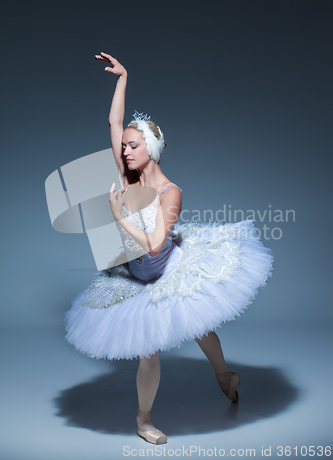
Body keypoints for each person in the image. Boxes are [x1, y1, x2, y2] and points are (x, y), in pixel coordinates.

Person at [64, 52, 274, 445]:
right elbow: (113, 122)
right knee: (149, 350)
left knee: (200, 326)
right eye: (124, 146)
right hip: (135, 275)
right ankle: (144, 420)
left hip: (168, 266)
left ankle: (223, 375)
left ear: (152, 149)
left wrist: (118, 216)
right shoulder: (126, 178)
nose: (124, 151)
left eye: (132, 146)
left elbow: (156, 242)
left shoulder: (169, 192)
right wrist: (123, 78)